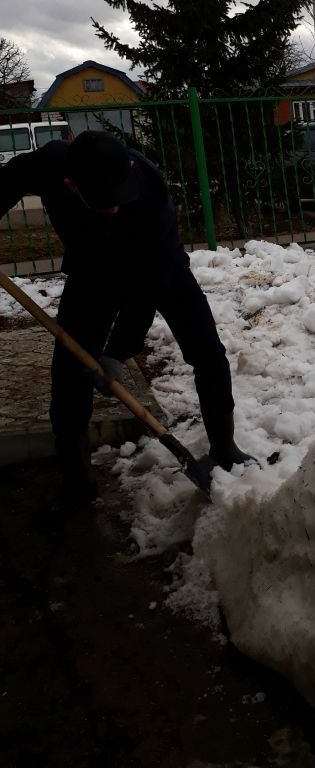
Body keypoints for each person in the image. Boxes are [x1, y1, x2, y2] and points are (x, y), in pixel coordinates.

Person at [0, 130, 251, 507]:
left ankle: (224, 447)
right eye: (105, 202)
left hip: (156, 264)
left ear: (130, 168)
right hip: (92, 271)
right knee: (69, 372)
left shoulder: (148, 192)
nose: (115, 206)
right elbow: (11, 178)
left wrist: (118, 351)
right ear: (70, 185)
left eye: (119, 196)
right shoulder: (52, 164)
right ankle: (75, 476)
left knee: (207, 351)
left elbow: (146, 290)